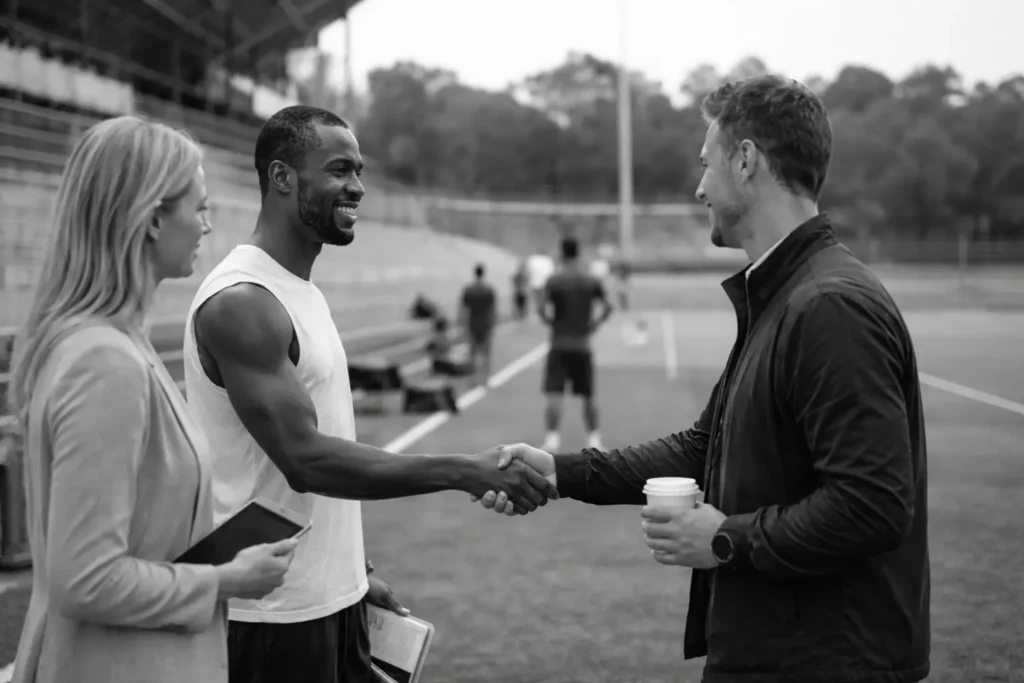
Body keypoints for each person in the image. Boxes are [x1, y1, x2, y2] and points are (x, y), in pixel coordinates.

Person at [476, 76, 930, 683]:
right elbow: (704, 446)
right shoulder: (782, 294)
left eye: (705, 165)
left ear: (745, 161)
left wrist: (724, 539)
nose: (698, 188)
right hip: (777, 650)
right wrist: (561, 472)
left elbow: (872, 505)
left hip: (826, 660)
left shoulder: (828, 306)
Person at [182, 105, 557, 683]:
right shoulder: (243, 303)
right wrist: (465, 471)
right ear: (283, 177)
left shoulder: (298, 289)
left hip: (328, 596)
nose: (357, 187)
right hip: (272, 616)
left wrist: (351, 573)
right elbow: (305, 459)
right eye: (338, 170)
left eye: (358, 171)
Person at [6, 116, 296, 683]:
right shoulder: (104, 361)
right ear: (153, 218)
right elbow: (87, 578)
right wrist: (225, 580)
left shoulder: (105, 343)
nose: (208, 226)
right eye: (200, 207)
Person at [538, 236, 613, 452]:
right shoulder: (590, 280)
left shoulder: (554, 280)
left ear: (561, 253)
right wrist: (594, 325)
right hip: (582, 344)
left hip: (559, 343)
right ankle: (594, 439)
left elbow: (541, 308)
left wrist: (552, 323)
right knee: (588, 395)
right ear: (578, 253)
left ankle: (552, 439)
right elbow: (609, 306)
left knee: (554, 394)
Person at [458, 262, 497, 385]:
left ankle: (473, 379)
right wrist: (493, 324)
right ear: (484, 273)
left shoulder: (469, 290)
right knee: (486, 352)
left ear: (474, 273)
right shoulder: (488, 290)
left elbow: (463, 309)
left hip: (472, 322)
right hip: (485, 322)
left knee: (472, 353)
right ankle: (486, 378)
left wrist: (462, 325)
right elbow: (493, 309)